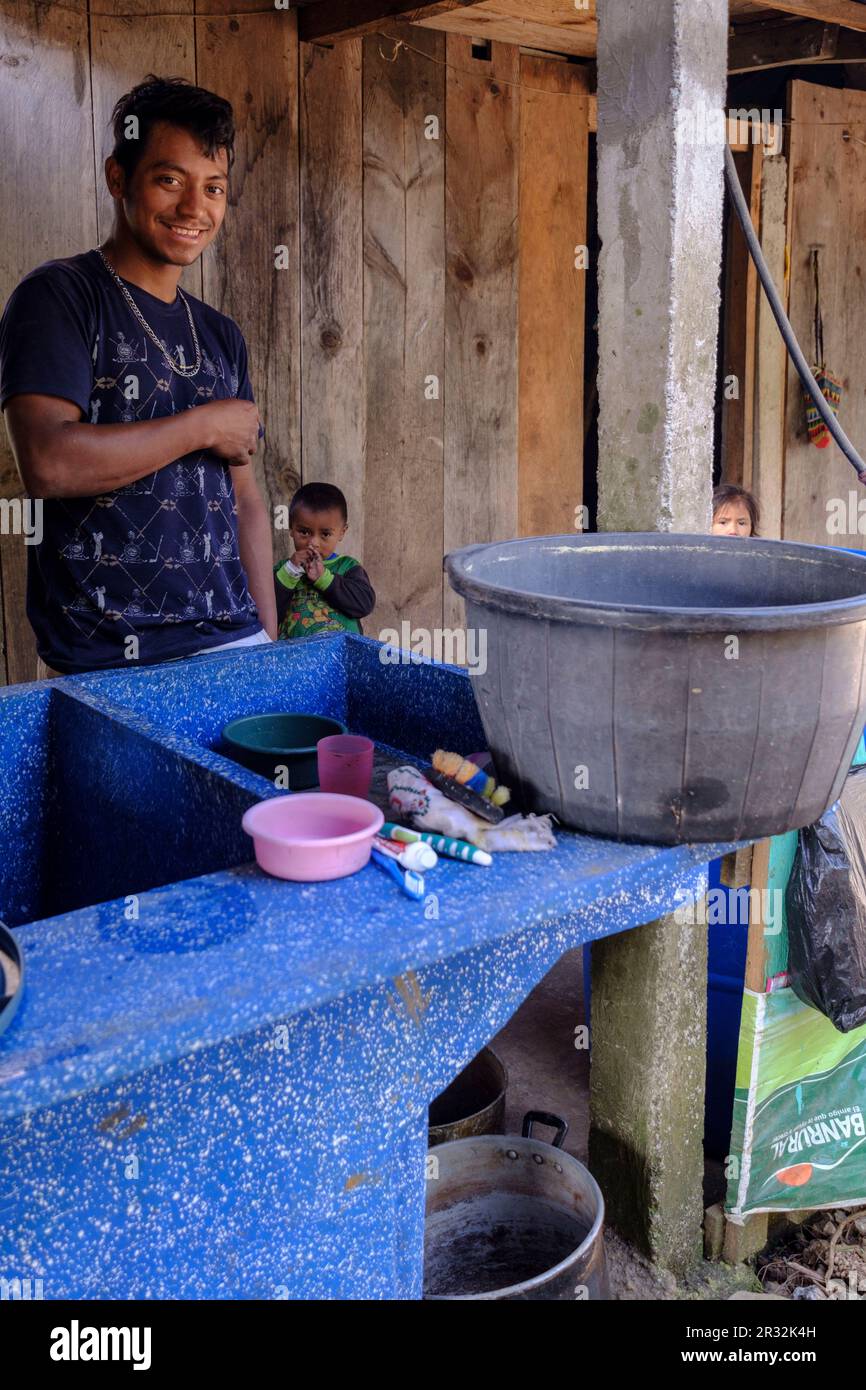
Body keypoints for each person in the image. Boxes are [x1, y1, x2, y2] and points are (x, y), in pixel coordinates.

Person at [0, 75, 277, 678]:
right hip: (112, 660)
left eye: (214, 188)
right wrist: (203, 424)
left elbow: (246, 500)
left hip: (237, 644)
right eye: (170, 180)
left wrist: (268, 644)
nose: (194, 209)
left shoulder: (221, 334)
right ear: (118, 177)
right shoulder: (61, 296)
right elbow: (48, 462)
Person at [274, 483, 375, 639]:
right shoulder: (284, 569)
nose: (313, 542)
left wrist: (324, 579)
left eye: (325, 534)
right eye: (304, 532)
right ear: (291, 528)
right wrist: (290, 572)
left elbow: (364, 604)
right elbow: (266, 613)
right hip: (294, 658)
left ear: (342, 532)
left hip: (338, 658)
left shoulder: (347, 567)